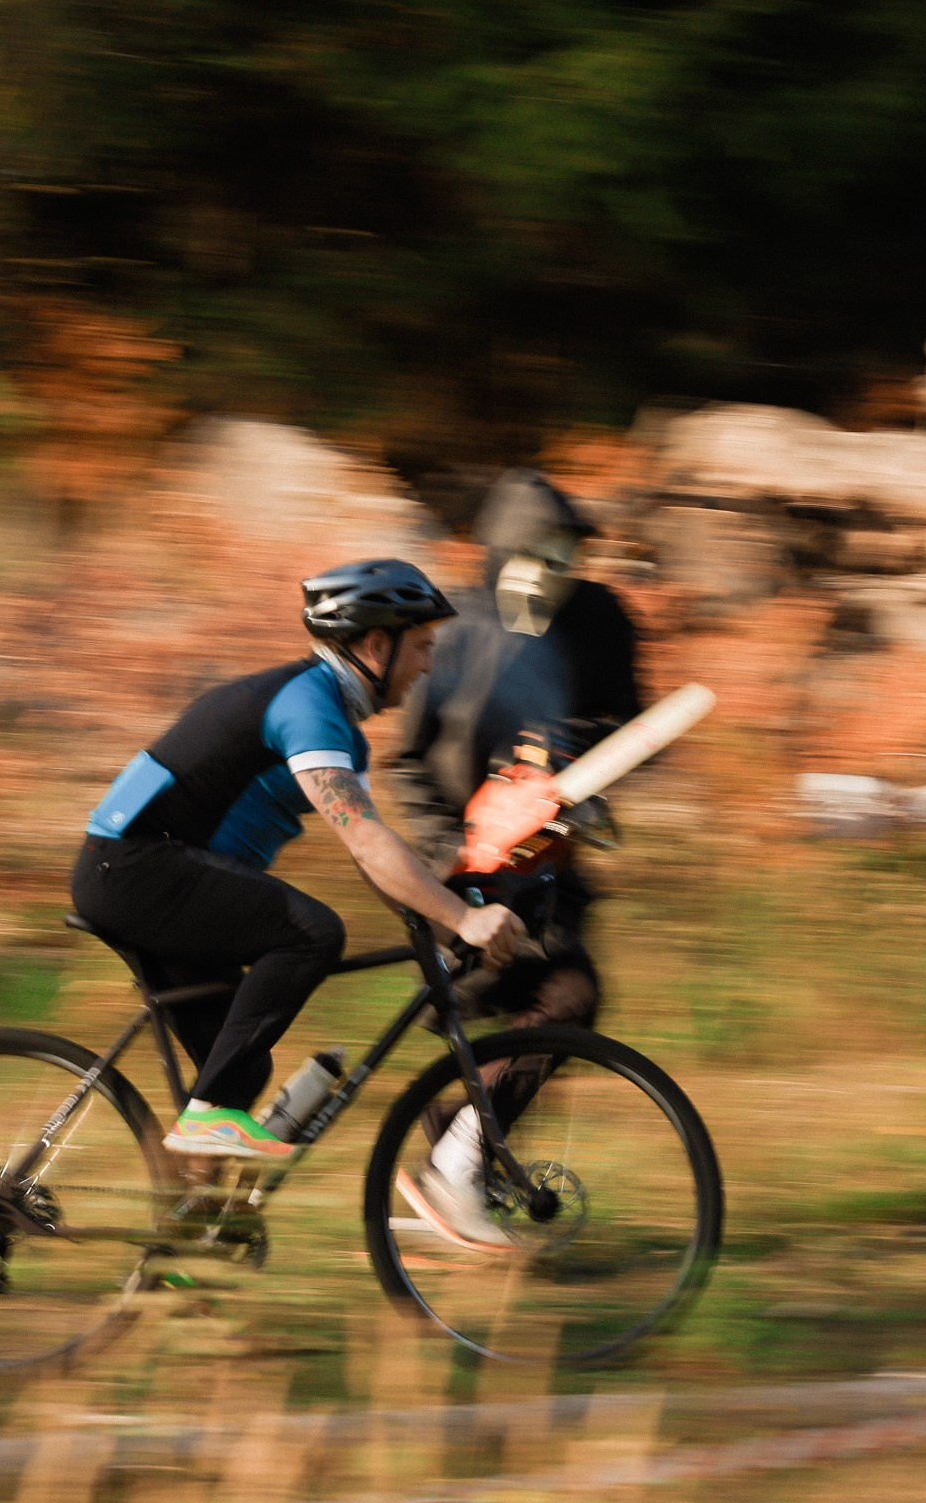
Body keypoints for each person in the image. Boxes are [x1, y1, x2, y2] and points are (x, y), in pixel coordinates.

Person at [71, 559, 525, 1161]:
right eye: (421, 647)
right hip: (134, 870)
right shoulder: (305, 704)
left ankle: (190, 1234)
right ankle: (206, 1125)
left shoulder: (335, 724)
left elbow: (371, 851)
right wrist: (460, 919)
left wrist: (442, 918)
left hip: (144, 876)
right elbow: (363, 838)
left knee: (236, 1076)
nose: (428, 666)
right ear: (375, 643)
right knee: (312, 933)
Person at [386, 469, 644, 1249]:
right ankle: (454, 1170)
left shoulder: (598, 620)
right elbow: (404, 766)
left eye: (565, 556)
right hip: (462, 877)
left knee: (562, 1006)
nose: (551, 574)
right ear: (499, 554)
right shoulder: (455, 631)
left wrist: (578, 778)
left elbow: (628, 727)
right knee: (548, 1009)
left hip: (552, 877)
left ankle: (451, 1170)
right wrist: (457, 851)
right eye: (534, 555)